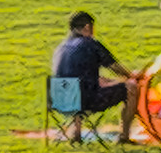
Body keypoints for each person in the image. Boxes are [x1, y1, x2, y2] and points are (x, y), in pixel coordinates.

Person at [52, 11, 140, 143]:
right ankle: (124, 137)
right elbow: (115, 67)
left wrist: (115, 82)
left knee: (78, 88)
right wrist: (131, 76)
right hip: (86, 100)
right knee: (132, 88)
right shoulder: (91, 44)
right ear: (87, 27)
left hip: (61, 100)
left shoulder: (61, 47)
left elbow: (85, 77)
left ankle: (76, 134)